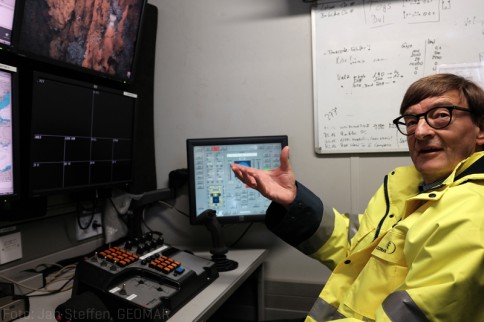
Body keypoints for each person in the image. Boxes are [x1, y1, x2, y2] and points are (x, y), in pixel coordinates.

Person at [231, 73, 484, 322]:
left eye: (440, 116)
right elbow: (360, 250)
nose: (420, 132)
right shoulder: (410, 188)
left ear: (480, 129)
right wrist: (294, 201)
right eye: (410, 121)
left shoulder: (473, 210)